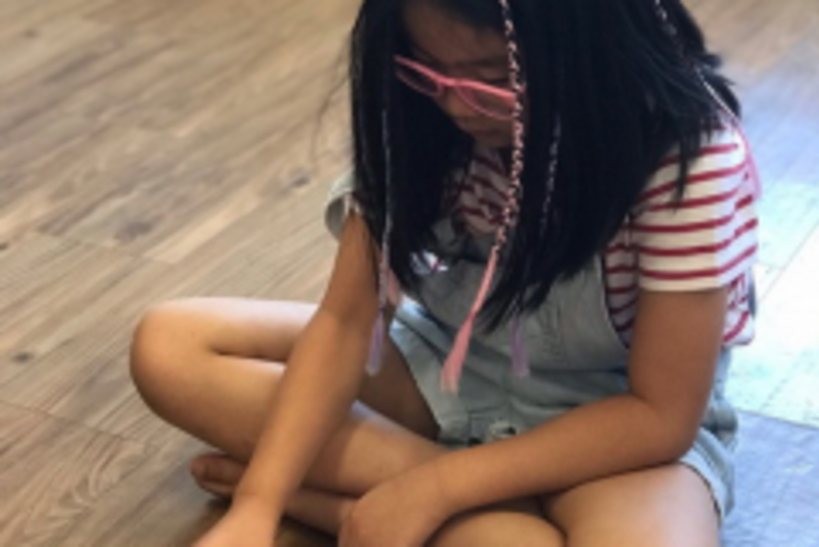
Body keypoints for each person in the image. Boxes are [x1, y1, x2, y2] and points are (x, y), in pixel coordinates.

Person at [129, 0, 760, 545]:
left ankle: (376, 508)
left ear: (590, 49)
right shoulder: (419, 119)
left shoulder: (688, 158)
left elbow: (659, 415)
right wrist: (257, 507)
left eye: (493, 78)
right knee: (170, 344)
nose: (456, 103)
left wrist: (437, 487)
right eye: (427, 69)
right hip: (455, 376)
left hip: (615, 429)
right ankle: (486, 516)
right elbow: (346, 324)